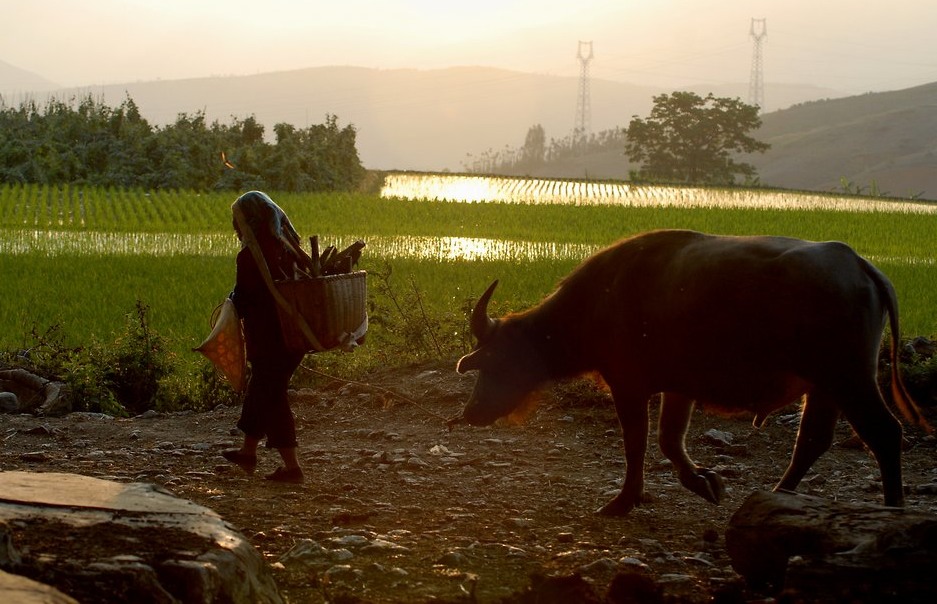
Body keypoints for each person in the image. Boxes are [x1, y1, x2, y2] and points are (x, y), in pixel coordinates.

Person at [221, 191, 307, 484]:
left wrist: (230, 302)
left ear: (249, 220)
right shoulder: (288, 246)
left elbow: (244, 300)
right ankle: (248, 451)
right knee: (262, 390)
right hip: (295, 336)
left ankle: (292, 467)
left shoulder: (250, 256)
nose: (235, 225)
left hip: (270, 340)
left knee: (272, 397)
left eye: (237, 219)